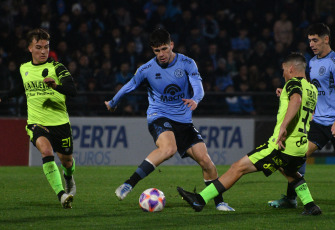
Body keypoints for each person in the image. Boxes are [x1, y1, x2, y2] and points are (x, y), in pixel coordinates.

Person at [104, 28, 234, 211]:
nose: (161, 54)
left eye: (164, 49)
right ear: (152, 50)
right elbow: (129, 86)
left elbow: (199, 87)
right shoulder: (146, 69)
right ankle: (129, 184)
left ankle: (219, 202)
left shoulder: (188, 63)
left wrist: (195, 99)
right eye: (157, 51)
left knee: (207, 162)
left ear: (171, 45)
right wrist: (112, 102)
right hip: (159, 116)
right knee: (169, 148)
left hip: (184, 122)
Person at [177, 53, 322, 215]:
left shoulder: (292, 84)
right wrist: (284, 97)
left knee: (238, 168)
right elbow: (301, 106)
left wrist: (283, 128)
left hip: (281, 146)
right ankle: (310, 206)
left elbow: (296, 101)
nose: (282, 74)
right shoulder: (312, 89)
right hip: (300, 148)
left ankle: (200, 200)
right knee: (289, 172)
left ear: (291, 68)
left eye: (283, 70)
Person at [0, 28, 77, 208]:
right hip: (36, 122)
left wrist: (56, 86)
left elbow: (72, 91)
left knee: (67, 161)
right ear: (30, 48)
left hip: (60, 122)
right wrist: (4, 97)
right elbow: (23, 88)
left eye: (46, 47)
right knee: (46, 152)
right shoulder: (24, 68)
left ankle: (69, 177)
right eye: (39, 47)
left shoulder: (57, 67)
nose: (43, 51)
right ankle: (61, 195)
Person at [268, 23, 335, 208]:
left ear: (326, 39)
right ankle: (291, 199)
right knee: (297, 157)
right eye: (310, 40)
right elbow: (306, 86)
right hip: (319, 122)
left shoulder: (333, 62)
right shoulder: (312, 62)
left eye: (315, 40)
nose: (312, 44)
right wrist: (288, 92)